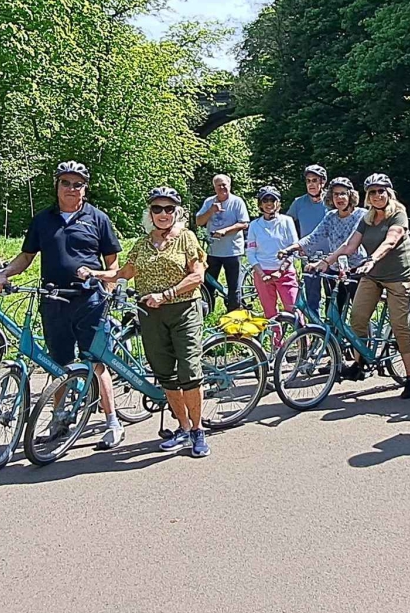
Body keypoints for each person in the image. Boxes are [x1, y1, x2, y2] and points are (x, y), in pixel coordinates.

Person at [0, 161, 125, 448]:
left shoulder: (98, 219)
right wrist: (4, 274)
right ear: (57, 186)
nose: (71, 189)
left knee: (96, 361)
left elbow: (112, 262)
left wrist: (109, 292)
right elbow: (26, 257)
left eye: (77, 184)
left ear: (85, 189)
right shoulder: (43, 220)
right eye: (66, 183)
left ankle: (112, 421)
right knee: (58, 363)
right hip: (52, 300)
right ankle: (59, 418)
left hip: (89, 300)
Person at [80, 188, 210, 457]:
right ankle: (183, 428)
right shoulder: (142, 244)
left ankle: (198, 430)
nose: (163, 214)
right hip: (150, 315)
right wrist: (94, 273)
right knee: (165, 373)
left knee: (189, 371)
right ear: (150, 213)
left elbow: (197, 276)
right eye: (157, 209)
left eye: (169, 209)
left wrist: (166, 294)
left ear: (177, 212)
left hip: (183, 311)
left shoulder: (186, 238)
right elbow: (124, 273)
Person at [311, 173, 410, 398]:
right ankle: (359, 365)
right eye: (373, 192)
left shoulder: (398, 213)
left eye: (382, 191)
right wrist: (325, 262)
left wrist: (372, 259)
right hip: (373, 274)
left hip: (400, 275)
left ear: (389, 193)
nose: (378, 195)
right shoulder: (367, 218)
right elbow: (349, 246)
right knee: (357, 319)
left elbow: (391, 240)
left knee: (400, 326)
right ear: (367, 196)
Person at [281, 176, 366, 315]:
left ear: (350, 195)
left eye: (343, 193)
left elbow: (348, 245)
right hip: (335, 271)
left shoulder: (361, 215)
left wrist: (324, 262)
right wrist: (291, 248)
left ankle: (364, 336)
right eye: (335, 194)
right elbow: (314, 236)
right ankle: (334, 336)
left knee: (359, 315)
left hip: (356, 270)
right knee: (333, 314)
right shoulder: (331, 216)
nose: (339, 198)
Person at [245, 185, 299, 324]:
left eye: (272, 200)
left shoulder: (287, 221)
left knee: (293, 309)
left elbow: (293, 248)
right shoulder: (254, 225)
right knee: (270, 314)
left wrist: (281, 271)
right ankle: (276, 344)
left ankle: (303, 343)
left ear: (278, 203)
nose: (269, 203)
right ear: (260, 204)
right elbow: (250, 253)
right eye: (265, 200)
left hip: (284, 272)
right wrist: (262, 274)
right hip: (262, 273)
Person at [196, 174, 250, 312]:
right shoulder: (209, 202)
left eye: (224, 184)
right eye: (219, 185)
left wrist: (225, 230)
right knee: (208, 285)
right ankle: (209, 312)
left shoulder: (237, 202)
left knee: (234, 288)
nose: (222, 187)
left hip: (233, 251)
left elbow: (244, 224)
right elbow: (199, 222)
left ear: (230, 185)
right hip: (213, 251)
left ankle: (233, 318)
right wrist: (211, 211)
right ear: (214, 187)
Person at [286, 164, 329, 240]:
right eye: (308, 181)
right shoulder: (298, 203)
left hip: (332, 251)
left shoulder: (332, 201)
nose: (310, 184)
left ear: (323, 182)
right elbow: (285, 225)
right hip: (307, 250)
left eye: (314, 180)